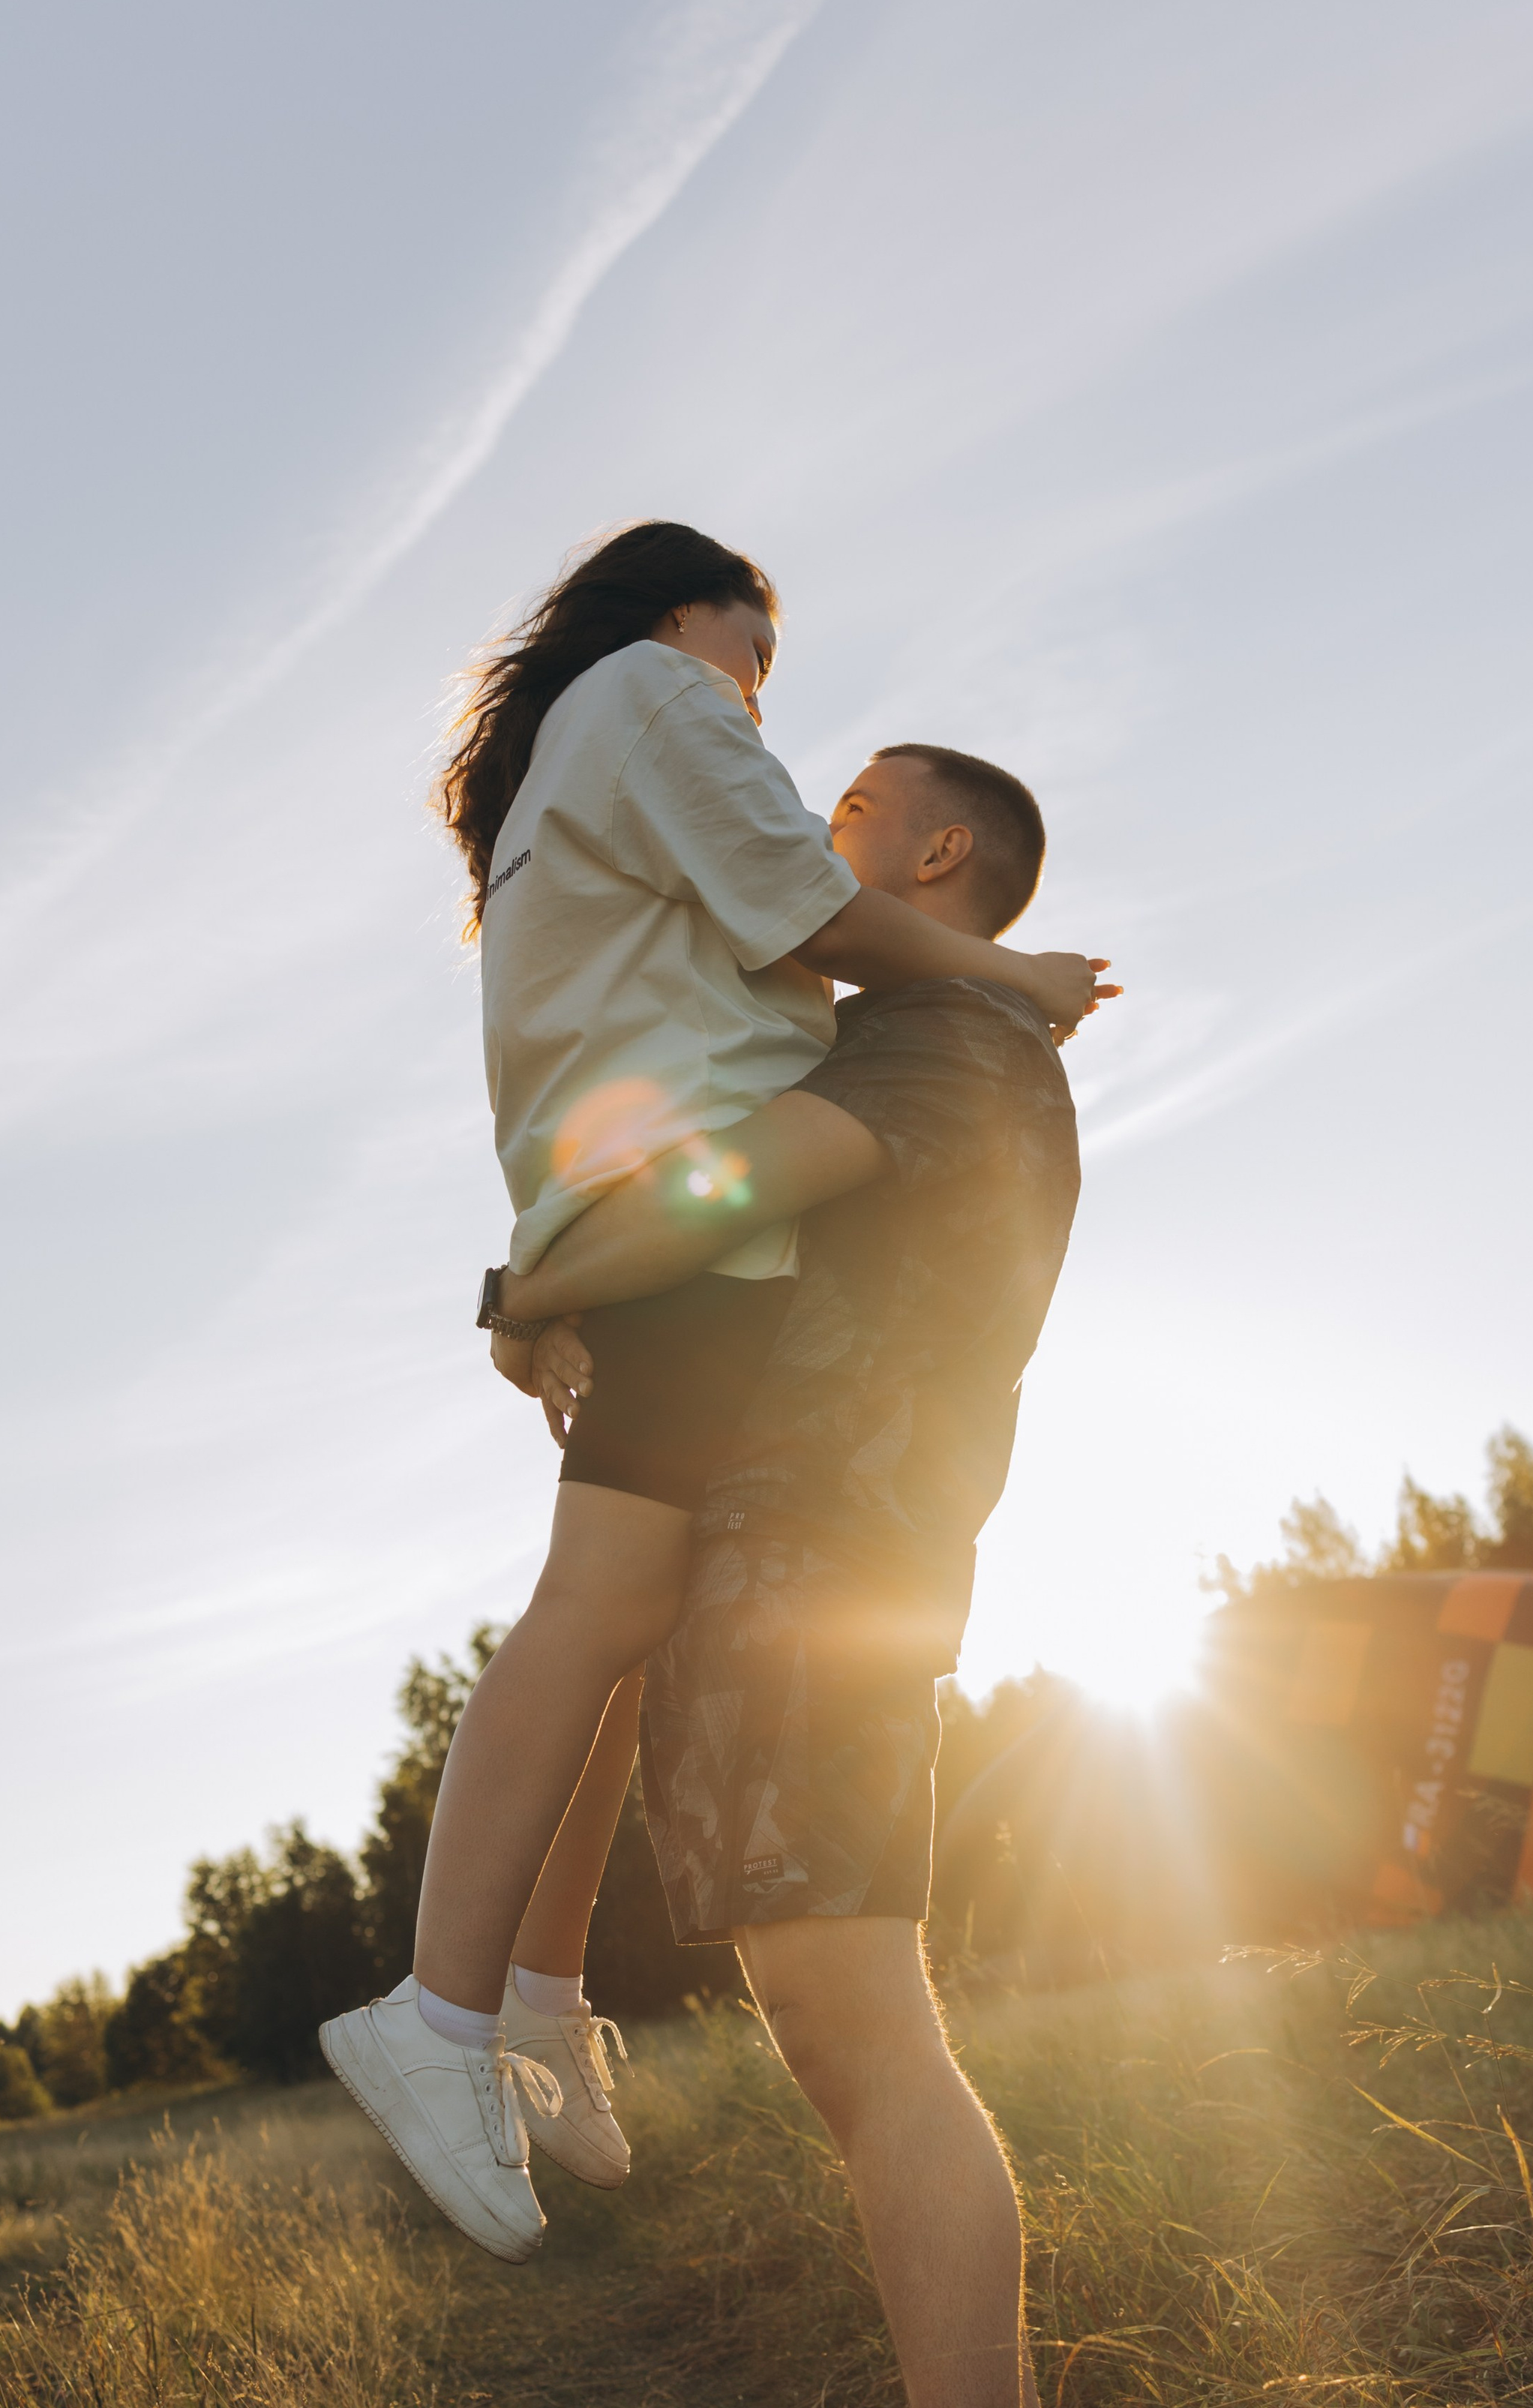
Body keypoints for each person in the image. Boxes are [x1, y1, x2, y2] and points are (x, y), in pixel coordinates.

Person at [320, 521, 1108, 2264]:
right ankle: (440, 2019)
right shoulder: (664, 692)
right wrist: (1022, 978)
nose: (762, 709)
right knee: (595, 1603)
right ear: (696, 612)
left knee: (626, 1616)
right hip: (683, 1231)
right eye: (761, 655)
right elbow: (823, 915)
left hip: (651, 1221)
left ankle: (524, 1996)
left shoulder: (593, 746)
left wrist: (531, 1278)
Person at [500, 741, 1120, 2408]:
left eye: (847, 804)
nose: (804, 824)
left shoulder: (938, 1043)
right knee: (855, 2043)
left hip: (826, 1559)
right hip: (835, 1552)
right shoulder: (961, 1032)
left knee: (873, 2042)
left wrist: (533, 1288)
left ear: (934, 855)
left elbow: (732, 1190)